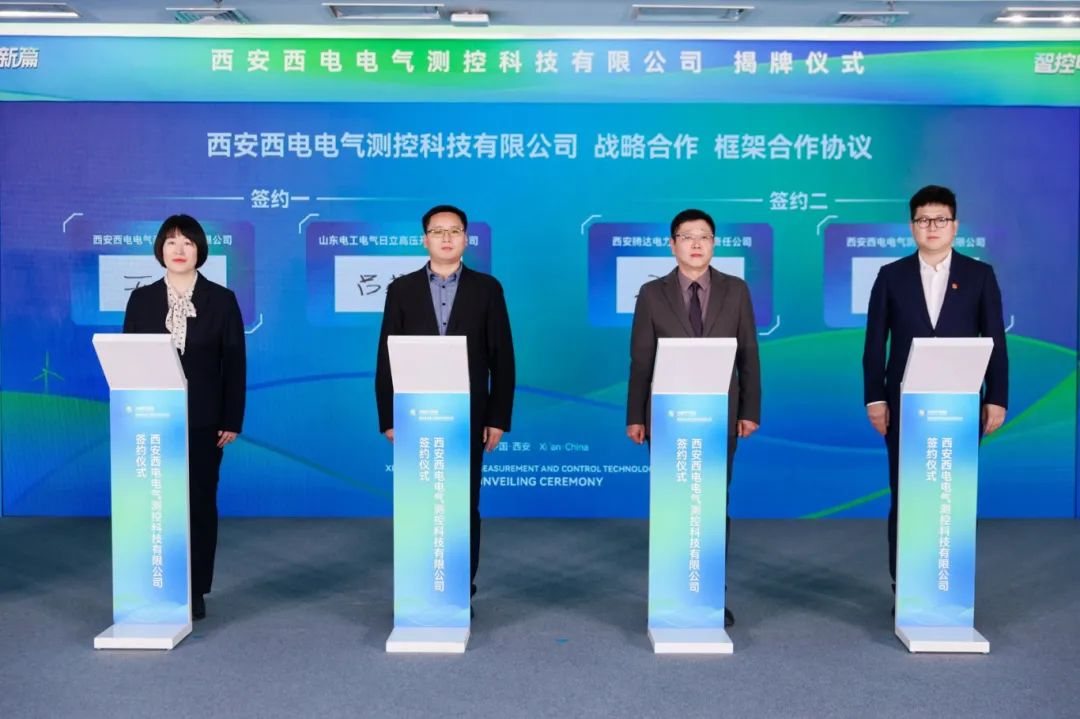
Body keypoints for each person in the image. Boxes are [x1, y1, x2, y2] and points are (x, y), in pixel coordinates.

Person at [863, 184, 1008, 602]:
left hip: (961, 404)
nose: (932, 227)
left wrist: (996, 397)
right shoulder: (891, 276)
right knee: (907, 493)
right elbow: (874, 344)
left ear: (955, 226)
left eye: (940, 219)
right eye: (923, 220)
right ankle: (905, 585)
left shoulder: (979, 275)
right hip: (904, 405)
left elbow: (995, 341)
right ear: (912, 226)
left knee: (952, 494)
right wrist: (876, 399)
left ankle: (950, 584)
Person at [375, 205, 515, 610]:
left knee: (463, 503)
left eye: (455, 231)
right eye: (438, 231)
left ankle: (459, 587)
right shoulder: (401, 290)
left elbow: (503, 357)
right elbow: (387, 357)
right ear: (425, 240)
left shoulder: (487, 289)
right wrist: (389, 417)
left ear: (466, 239)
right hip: (415, 414)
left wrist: (497, 417)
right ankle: (420, 585)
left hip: (468, 415)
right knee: (420, 501)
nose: (447, 238)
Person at [626, 208, 761, 627]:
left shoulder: (736, 290)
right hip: (667, 417)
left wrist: (750, 410)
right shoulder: (653, 294)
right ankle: (671, 593)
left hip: (720, 415)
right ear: (673, 245)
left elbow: (749, 355)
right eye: (687, 236)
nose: (697, 243)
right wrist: (636, 416)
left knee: (712, 503)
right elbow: (641, 360)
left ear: (714, 244)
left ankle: (710, 594)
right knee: (674, 504)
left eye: (704, 236)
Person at [123, 214, 246, 621]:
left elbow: (234, 364)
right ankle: (156, 584)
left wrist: (231, 418)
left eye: (188, 243)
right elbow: (130, 362)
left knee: (198, 504)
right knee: (156, 505)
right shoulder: (141, 300)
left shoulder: (221, 300)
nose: (179, 250)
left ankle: (194, 589)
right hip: (152, 419)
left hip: (204, 421)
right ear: (160, 248)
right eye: (171, 242)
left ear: (200, 251)